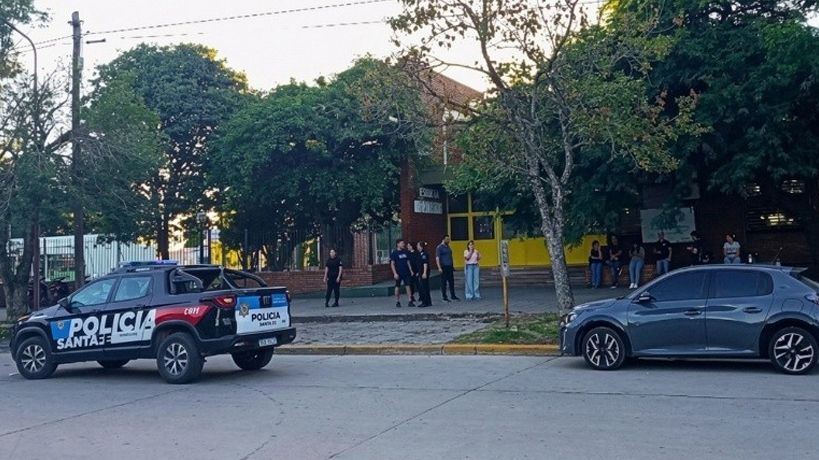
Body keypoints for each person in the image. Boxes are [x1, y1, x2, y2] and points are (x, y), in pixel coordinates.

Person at [390, 239, 415, 307]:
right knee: (397, 286)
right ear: (398, 244)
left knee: (408, 285)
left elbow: (408, 262)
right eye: (402, 243)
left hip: (406, 272)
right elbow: (392, 264)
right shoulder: (394, 253)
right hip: (399, 272)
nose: (403, 244)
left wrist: (411, 270)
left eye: (403, 243)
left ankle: (410, 300)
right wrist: (395, 273)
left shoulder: (405, 252)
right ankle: (397, 301)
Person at [436, 235, 459, 302]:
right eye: (447, 239)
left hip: (449, 266)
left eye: (449, 239)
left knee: (451, 282)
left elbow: (450, 256)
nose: (448, 241)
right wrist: (439, 267)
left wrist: (452, 265)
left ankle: (453, 295)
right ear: (443, 239)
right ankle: (444, 297)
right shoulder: (439, 247)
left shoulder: (448, 247)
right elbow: (437, 258)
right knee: (444, 282)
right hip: (444, 267)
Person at [416, 241, 432, 308]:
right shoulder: (420, 254)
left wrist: (424, 273)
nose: (417, 247)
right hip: (421, 272)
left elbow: (425, 264)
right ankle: (428, 302)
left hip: (423, 273)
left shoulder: (424, 254)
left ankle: (425, 302)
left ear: (421, 246)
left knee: (423, 288)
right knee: (425, 287)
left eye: (418, 245)